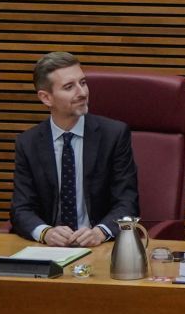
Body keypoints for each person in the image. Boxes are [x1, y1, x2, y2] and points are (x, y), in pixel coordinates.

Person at [9, 52, 139, 246]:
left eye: (83, 83)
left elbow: (127, 203)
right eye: (69, 87)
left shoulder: (114, 135)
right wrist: (45, 232)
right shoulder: (28, 143)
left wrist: (100, 232)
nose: (82, 92)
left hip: (100, 246)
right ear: (46, 98)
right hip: (49, 250)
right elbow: (21, 208)